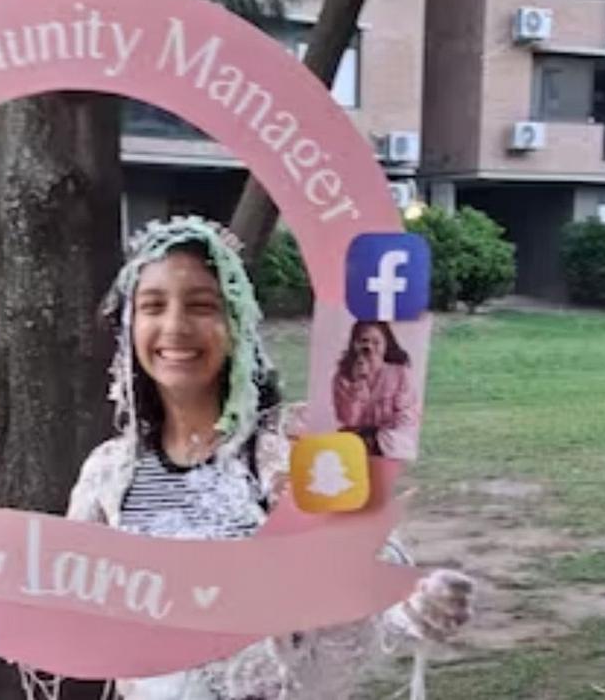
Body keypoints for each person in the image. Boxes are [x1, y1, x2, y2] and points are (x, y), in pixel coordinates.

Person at [66, 216, 470, 698]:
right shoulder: (108, 474)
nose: (175, 326)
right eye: (153, 306)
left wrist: (416, 602)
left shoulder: (297, 445)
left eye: (202, 306)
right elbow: (75, 600)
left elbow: (371, 572)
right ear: (131, 328)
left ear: (237, 324)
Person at [332, 321, 421, 460]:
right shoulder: (343, 377)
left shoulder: (400, 374)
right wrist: (357, 383)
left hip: (390, 441)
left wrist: (378, 435)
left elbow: (407, 416)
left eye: (376, 342)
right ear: (354, 344)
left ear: (386, 344)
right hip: (356, 441)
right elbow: (349, 419)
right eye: (364, 341)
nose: (369, 347)